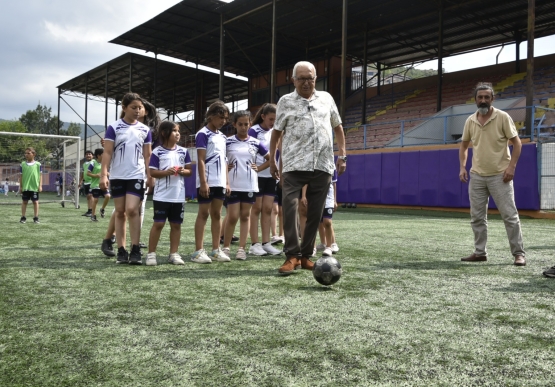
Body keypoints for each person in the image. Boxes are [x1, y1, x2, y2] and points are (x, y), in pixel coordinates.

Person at [269, 61, 347, 275]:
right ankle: (291, 255)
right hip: (293, 165)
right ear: (293, 80)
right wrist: (274, 159)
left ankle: (305, 257)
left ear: (316, 79)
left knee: (315, 214)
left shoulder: (327, 98)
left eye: (310, 78)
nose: (306, 82)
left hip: (322, 165)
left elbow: (338, 127)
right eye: (301, 78)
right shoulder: (285, 101)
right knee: (291, 208)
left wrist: (343, 155)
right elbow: (276, 132)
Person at [459, 82, 525, 266]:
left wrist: (511, 168)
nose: (483, 100)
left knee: (510, 216)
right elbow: (464, 145)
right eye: (480, 97)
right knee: (477, 217)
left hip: (500, 175)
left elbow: (517, 143)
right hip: (477, 176)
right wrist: (462, 167)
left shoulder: (503, 117)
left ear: (492, 99)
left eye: (487, 97)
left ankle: (519, 254)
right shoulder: (470, 120)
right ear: (475, 100)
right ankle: (480, 252)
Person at [100, 92, 152, 265]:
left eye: (140, 108)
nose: (138, 111)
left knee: (132, 210)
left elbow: (148, 156)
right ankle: (121, 251)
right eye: (134, 107)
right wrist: (103, 174)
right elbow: (107, 152)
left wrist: (150, 175)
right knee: (120, 211)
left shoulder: (145, 130)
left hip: (136, 175)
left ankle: (135, 249)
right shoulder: (113, 127)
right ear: (124, 108)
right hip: (117, 175)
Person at [223, 110, 269, 260]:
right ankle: (226, 247)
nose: (243, 127)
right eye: (240, 124)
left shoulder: (256, 143)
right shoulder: (227, 142)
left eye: (246, 124)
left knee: (245, 216)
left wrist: (259, 168)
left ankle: (241, 249)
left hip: (250, 185)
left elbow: (270, 159)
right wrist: (225, 170)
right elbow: (221, 159)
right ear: (234, 124)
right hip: (233, 185)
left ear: (250, 124)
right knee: (232, 216)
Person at [146, 121, 192, 266]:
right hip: (161, 196)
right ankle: (151, 254)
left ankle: (174, 254)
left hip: (178, 196)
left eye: (178, 131)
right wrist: (166, 172)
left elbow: (189, 171)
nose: (178, 133)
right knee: (158, 224)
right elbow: (152, 172)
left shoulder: (184, 151)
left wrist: (183, 171)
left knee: (176, 225)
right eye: (174, 131)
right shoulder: (157, 152)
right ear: (164, 133)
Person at [192, 101, 231, 264]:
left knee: (217, 214)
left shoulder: (222, 137)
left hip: (220, 181)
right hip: (207, 180)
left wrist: (227, 182)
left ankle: (216, 250)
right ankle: (198, 251)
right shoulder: (202, 134)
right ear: (211, 116)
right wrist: (203, 182)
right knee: (204, 213)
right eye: (220, 117)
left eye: (225, 118)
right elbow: (201, 159)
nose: (223, 121)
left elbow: (225, 160)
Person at [247, 103, 282, 256]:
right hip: (257, 175)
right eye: (270, 119)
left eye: (276, 119)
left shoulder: (276, 131)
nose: (273, 122)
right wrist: (258, 170)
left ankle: (266, 243)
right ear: (263, 117)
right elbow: (249, 153)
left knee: (268, 209)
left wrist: (277, 170)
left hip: (271, 175)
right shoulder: (253, 131)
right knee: (256, 209)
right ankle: (254, 244)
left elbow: (278, 153)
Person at [315, 169, 338, 256]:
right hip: (318, 196)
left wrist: (335, 200)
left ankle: (333, 243)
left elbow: (334, 183)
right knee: (320, 222)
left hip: (328, 197)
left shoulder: (331, 166)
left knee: (327, 221)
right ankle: (323, 243)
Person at [19, 147, 42, 224]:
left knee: (35, 202)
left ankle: (36, 217)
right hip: (25, 187)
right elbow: (21, 176)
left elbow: (40, 175)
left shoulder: (38, 164)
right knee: (24, 201)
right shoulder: (22, 164)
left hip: (34, 187)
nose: (26, 155)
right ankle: (23, 217)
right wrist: (21, 186)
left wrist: (40, 185)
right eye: (25, 153)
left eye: (28, 153)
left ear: (33, 154)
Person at [87, 148, 111, 222]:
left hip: (104, 184)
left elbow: (108, 173)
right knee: (96, 199)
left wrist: (108, 175)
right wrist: (96, 175)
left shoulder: (105, 163)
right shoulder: (93, 163)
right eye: (103, 154)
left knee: (108, 196)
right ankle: (93, 216)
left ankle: (102, 209)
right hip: (95, 185)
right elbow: (88, 173)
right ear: (98, 155)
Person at [79, 150, 94, 216]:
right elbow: (82, 173)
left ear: (92, 156)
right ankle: (89, 210)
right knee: (88, 197)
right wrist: (80, 181)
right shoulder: (84, 164)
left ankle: (92, 211)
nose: (88, 155)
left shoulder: (94, 162)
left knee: (90, 196)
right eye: (87, 154)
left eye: (89, 154)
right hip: (86, 183)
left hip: (93, 182)